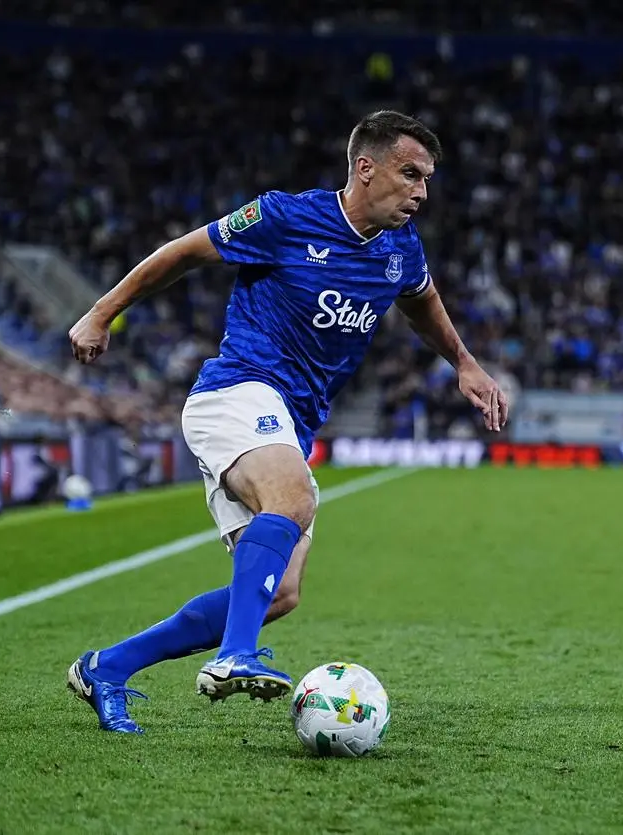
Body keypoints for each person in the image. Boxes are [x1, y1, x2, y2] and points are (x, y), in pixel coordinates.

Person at [64, 111, 509, 733]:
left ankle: (107, 668)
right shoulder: (284, 217)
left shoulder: (400, 248)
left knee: (280, 594)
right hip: (237, 390)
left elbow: (422, 299)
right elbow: (183, 253)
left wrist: (464, 362)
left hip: (293, 421)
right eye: (411, 174)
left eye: (428, 179)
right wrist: (101, 314)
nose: (422, 192)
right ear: (365, 168)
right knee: (292, 497)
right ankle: (233, 658)